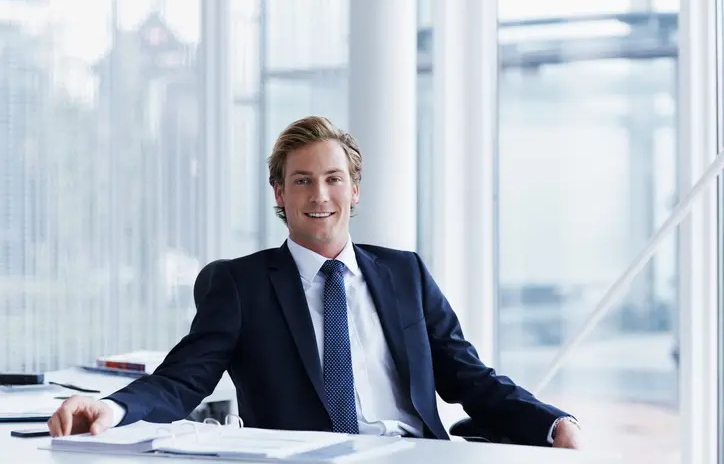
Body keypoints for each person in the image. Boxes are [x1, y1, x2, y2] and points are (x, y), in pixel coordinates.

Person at [48, 116, 582, 448]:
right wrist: (113, 408)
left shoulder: (405, 274)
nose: (318, 195)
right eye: (301, 181)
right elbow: (182, 381)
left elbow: (470, 378)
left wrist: (552, 424)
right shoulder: (240, 285)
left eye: (333, 179)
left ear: (354, 190)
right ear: (279, 193)